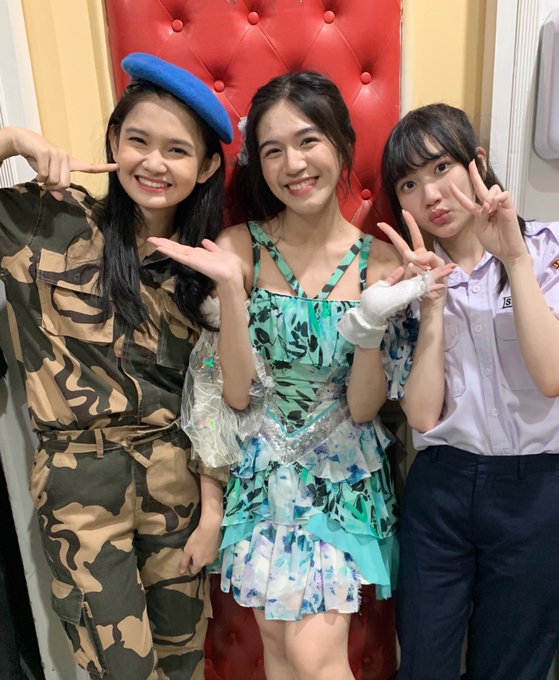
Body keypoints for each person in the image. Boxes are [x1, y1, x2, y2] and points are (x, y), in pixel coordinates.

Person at [149, 71, 453, 680]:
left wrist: (369, 324)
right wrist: (230, 291)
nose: (293, 164)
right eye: (272, 151)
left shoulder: (381, 263)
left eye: (308, 140)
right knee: (281, 653)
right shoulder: (239, 248)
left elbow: (364, 409)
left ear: (341, 143)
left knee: (315, 656)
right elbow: (236, 396)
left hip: (342, 479)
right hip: (261, 476)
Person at [0, 52, 233, 680]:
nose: (154, 163)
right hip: (81, 487)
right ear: (113, 142)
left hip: (178, 484)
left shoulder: (205, 266)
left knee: (183, 664)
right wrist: (11, 140)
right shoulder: (46, 221)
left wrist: (212, 510)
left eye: (177, 150)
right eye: (138, 141)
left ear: (206, 167)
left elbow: (216, 400)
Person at [380, 102, 559, 680]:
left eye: (441, 168)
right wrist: (430, 308)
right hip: (442, 487)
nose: (430, 194)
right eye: (409, 184)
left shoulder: (547, 249)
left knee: (514, 665)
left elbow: (552, 377)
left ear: (477, 163)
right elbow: (422, 417)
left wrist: (514, 259)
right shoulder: (406, 280)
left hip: (537, 488)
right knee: (424, 662)